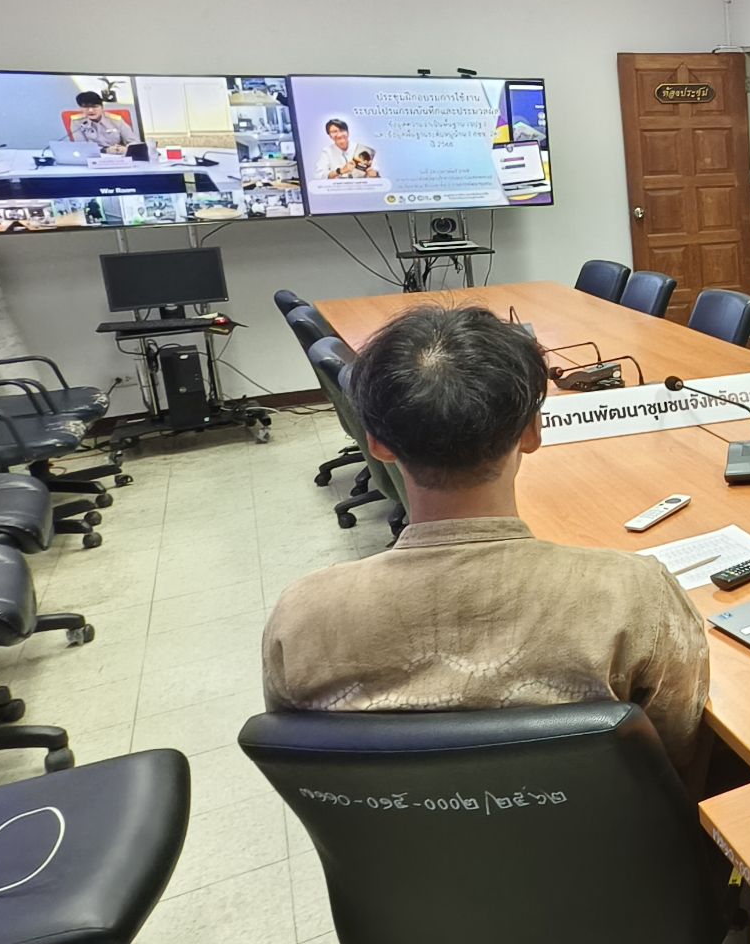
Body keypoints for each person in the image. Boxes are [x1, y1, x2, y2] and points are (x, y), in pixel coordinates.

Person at [263, 305, 711, 776]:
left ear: (376, 442)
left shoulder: (301, 619)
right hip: (611, 843)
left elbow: (307, 771)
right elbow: (678, 759)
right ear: (533, 432)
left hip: (399, 848)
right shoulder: (636, 596)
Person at [67, 89, 135, 151]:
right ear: (80, 108)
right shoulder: (76, 122)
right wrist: (105, 151)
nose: (90, 110)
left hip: (117, 156)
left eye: (95, 106)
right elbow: (82, 147)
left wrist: (124, 149)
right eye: (86, 107)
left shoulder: (116, 120)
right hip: (93, 157)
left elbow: (133, 142)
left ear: (102, 107)